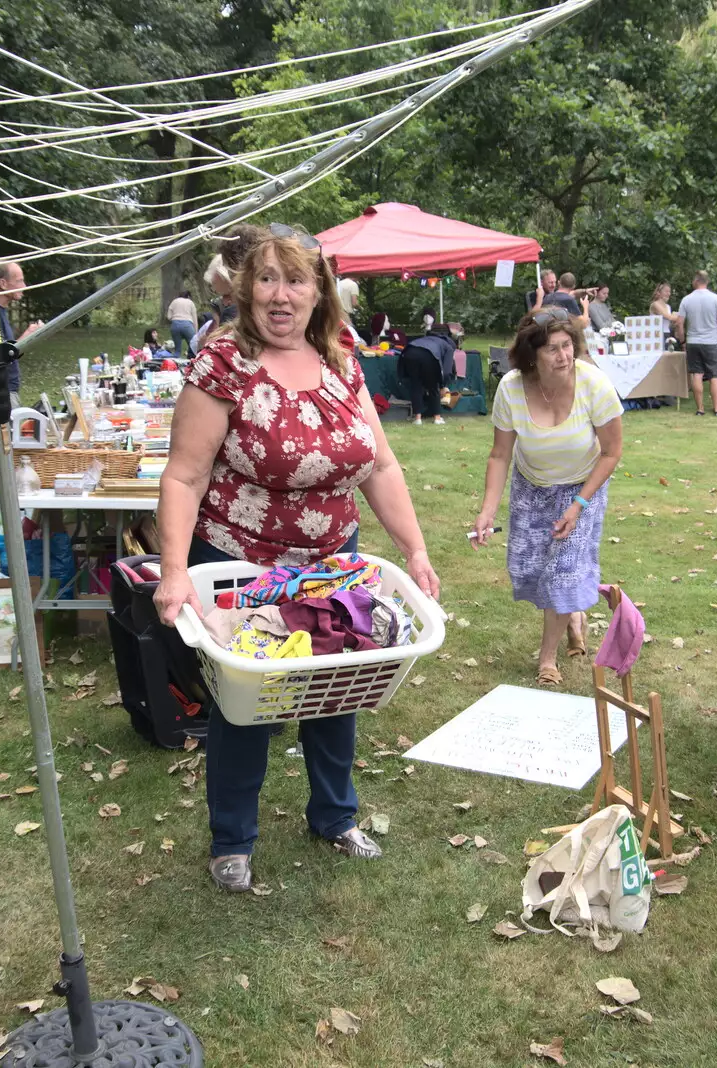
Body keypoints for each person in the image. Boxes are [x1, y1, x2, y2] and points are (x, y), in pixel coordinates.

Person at [153, 224, 440, 893]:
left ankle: (335, 817)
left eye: (297, 280)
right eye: (267, 279)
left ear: (320, 291)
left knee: (337, 694)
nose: (281, 296)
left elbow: (380, 463)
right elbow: (184, 477)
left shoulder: (340, 357)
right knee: (246, 707)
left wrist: (416, 550)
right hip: (241, 564)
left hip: (333, 562)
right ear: (245, 287)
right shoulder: (222, 365)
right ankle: (232, 839)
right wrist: (172, 570)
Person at [471, 306, 624, 687]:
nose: (564, 356)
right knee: (530, 570)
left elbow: (611, 452)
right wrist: (487, 510)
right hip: (532, 485)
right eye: (552, 349)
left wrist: (579, 505)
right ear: (531, 356)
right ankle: (573, 615)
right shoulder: (510, 388)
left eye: (568, 345)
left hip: (582, 486)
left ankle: (548, 659)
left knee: (561, 571)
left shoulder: (594, 384)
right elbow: (500, 454)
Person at [0, 261, 44, 407]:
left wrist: (30, 336)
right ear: (3, 284)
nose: (24, 286)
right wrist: (29, 334)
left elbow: (9, 352)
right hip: (1, 393)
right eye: (19, 281)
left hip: (9, 390)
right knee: (8, 430)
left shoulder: (0, 311)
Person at [678, 270, 717, 416]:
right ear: (707, 282)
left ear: (696, 281)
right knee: (714, 375)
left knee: (697, 374)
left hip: (693, 341)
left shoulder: (686, 300)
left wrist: (683, 341)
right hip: (711, 342)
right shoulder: (716, 299)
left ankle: (700, 409)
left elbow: (679, 324)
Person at [166, 289, 198, 359]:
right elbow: (195, 319)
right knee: (193, 348)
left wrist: (175, 319)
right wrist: (196, 333)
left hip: (175, 325)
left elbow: (168, 317)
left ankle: (174, 366)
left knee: (177, 350)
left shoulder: (174, 301)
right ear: (189, 296)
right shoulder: (190, 302)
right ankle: (192, 365)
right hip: (187, 325)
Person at [651, 282, 682, 347]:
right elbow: (669, 317)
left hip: (667, 334)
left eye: (669, 292)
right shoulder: (655, 304)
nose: (668, 294)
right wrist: (680, 316)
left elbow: (669, 323)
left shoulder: (668, 306)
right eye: (666, 291)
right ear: (659, 292)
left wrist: (675, 323)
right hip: (657, 334)